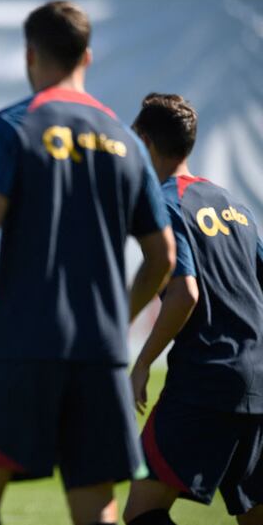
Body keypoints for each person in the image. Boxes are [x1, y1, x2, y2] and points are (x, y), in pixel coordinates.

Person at [0, 0, 175, 525]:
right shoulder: (127, 142)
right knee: (95, 505)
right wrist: (118, 320)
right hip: (99, 354)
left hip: (21, 343)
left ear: (29, 54)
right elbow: (163, 257)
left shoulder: (14, 124)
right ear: (88, 55)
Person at [123, 93, 263, 525]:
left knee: (142, 511)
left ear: (144, 141)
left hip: (206, 380)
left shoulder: (163, 202)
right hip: (258, 378)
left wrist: (143, 361)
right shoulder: (234, 206)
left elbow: (184, 293)